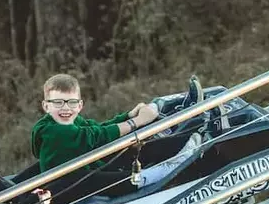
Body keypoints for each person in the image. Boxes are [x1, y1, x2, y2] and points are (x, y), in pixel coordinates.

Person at [31, 74, 203, 189]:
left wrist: (128, 115)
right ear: (46, 106)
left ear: (80, 105)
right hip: (68, 186)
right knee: (107, 178)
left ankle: (185, 123)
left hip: (84, 166)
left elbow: (98, 128)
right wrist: (137, 121)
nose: (66, 108)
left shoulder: (70, 120)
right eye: (58, 103)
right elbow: (98, 136)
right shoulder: (54, 131)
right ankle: (163, 171)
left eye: (71, 103)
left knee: (128, 149)